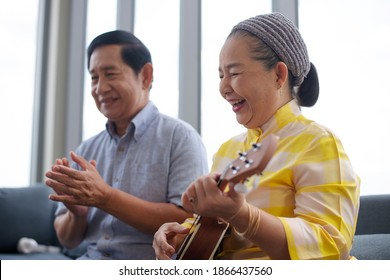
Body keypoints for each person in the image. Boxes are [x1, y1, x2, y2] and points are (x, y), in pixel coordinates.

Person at [152, 13, 360, 260]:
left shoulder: (318, 142)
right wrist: (181, 234)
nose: (223, 88)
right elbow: (213, 233)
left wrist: (243, 215)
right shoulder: (228, 150)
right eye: (221, 75)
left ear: (279, 75)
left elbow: (331, 249)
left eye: (234, 73)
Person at [45, 30, 209, 259]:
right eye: (94, 78)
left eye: (110, 74)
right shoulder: (86, 150)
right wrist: (78, 215)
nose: (100, 88)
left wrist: (105, 197)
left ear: (145, 76)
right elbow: (68, 240)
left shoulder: (180, 138)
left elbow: (187, 224)